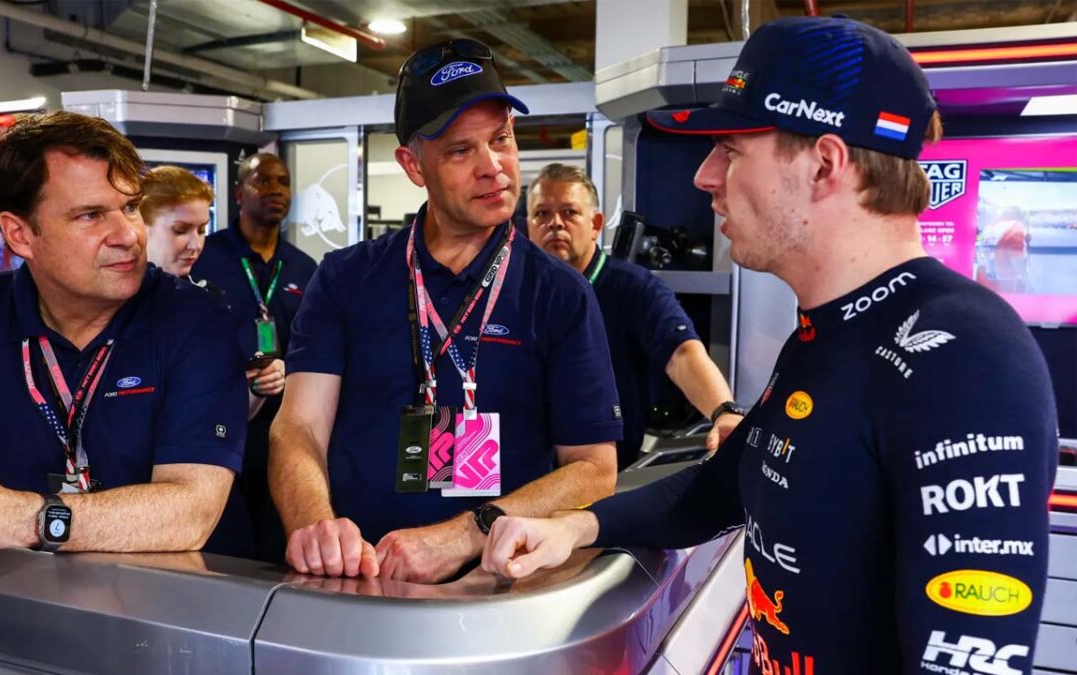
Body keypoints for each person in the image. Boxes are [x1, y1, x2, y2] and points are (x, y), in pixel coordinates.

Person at [484, 16, 1056, 674]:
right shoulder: (823, 333)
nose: (705, 176)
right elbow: (722, 487)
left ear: (824, 164)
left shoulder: (966, 355)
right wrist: (576, 525)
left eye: (731, 148)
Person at [272, 38, 622, 584]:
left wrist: (465, 535)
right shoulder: (344, 278)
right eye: (461, 151)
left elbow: (594, 469)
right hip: (354, 578)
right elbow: (297, 429)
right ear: (413, 165)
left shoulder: (560, 294)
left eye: (501, 139)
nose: (495, 168)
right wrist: (315, 524)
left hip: (494, 586)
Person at [0, 111, 249, 559]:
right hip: (23, 600)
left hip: (172, 608)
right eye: (91, 215)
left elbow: (190, 512)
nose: (128, 235)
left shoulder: (196, 321)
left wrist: (19, 518)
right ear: (20, 234)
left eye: (130, 207)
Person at [527, 163, 742, 467]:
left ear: (596, 223)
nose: (555, 224)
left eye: (570, 212)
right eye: (542, 214)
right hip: (524, 472)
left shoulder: (634, 288)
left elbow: (681, 352)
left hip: (603, 474)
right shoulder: (513, 289)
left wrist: (723, 411)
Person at [190, 153, 317, 563]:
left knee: (278, 543)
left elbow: (314, 347)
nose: (275, 191)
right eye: (262, 182)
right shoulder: (205, 257)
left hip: (283, 427)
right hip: (216, 423)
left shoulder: (304, 267)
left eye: (282, 182)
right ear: (239, 192)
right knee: (223, 545)